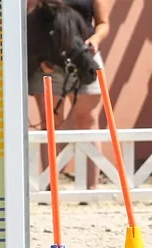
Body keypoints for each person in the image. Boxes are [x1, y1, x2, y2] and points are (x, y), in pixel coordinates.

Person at [26, 0, 112, 188]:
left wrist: (95, 40)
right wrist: (41, 54)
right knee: (50, 122)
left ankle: (91, 189)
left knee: (88, 120)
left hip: (84, 56)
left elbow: (103, 23)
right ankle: (52, 185)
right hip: (49, 61)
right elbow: (31, 16)